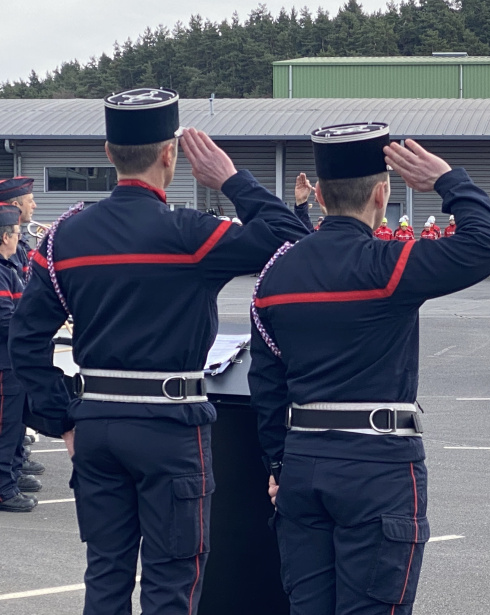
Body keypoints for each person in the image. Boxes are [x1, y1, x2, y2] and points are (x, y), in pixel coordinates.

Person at [9, 87, 310, 615]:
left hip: (96, 423)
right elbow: (290, 238)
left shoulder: (63, 237)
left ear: (108, 152)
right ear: (170, 154)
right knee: (172, 582)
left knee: (105, 574)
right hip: (171, 426)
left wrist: (61, 418)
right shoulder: (191, 235)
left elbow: (27, 338)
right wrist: (232, 179)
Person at [249, 124, 490, 615]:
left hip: (302, 465)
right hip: (378, 466)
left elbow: (267, 385)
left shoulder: (275, 275)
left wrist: (278, 465)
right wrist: (448, 180)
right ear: (382, 193)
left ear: (320, 195)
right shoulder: (389, 264)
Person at [0, 206, 37, 513]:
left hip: (13, 361)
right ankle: (2, 489)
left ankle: (9, 478)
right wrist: (35, 326)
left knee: (13, 428)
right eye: (14, 233)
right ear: (4, 236)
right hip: (4, 364)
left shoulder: (7, 268)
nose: (18, 238)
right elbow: (5, 320)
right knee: (5, 427)